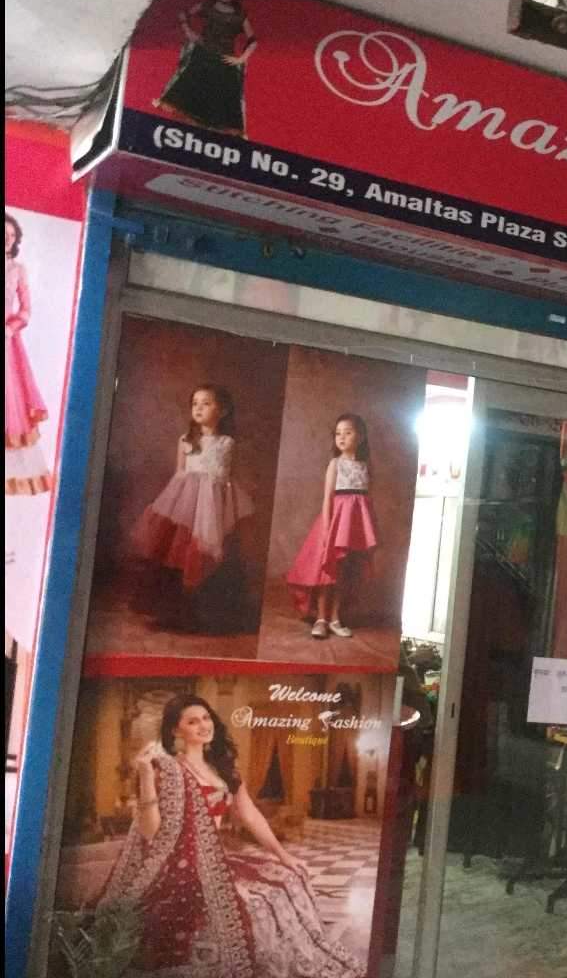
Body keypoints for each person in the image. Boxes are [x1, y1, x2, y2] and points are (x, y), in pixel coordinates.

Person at [97, 695, 365, 976]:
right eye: (192, 721)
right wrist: (145, 776)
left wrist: (284, 855)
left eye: (206, 718)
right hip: (178, 865)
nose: (203, 725)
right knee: (252, 903)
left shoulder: (223, 769)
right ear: (176, 730)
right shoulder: (166, 770)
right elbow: (151, 833)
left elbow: (250, 815)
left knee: (288, 878)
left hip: (214, 859)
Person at [130, 384, 254, 632]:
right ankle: (174, 610)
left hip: (214, 505)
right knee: (180, 551)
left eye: (206, 403)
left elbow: (228, 478)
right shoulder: (185, 440)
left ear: (222, 411)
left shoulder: (227, 443)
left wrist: (225, 506)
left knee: (212, 553)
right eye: (195, 403)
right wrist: (170, 503)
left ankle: (210, 612)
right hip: (186, 503)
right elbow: (180, 473)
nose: (198, 408)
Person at [287, 414, 379, 639]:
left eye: (348, 432)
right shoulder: (335, 464)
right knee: (328, 572)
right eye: (338, 433)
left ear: (361, 437)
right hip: (335, 524)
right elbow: (327, 498)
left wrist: (369, 530)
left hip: (354, 527)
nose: (342, 437)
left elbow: (367, 500)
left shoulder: (365, 466)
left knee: (345, 572)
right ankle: (321, 619)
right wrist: (327, 528)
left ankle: (335, 618)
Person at [154, 0, 256, 136]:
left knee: (221, 96)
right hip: (202, 54)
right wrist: (189, 31)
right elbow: (184, 15)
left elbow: (253, 40)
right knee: (192, 91)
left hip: (224, 60)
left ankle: (211, 132)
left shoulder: (239, 15)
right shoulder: (207, 6)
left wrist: (241, 59)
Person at [5, 213, 52, 496]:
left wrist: (10, 328)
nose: (7, 240)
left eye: (11, 236)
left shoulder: (17, 270)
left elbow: (25, 310)